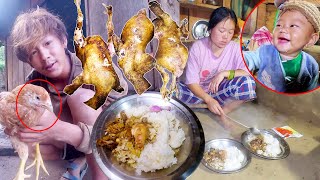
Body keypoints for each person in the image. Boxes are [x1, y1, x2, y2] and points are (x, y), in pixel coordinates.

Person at [7, 7, 128, 180]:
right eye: (33, 52)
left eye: (48, 43)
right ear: (30, 62)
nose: (44, 56)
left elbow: (120, 119)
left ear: (63, 41)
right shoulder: (33, 85)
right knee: (29, 139)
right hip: (68, 142)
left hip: (104, 137)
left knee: (82, 98)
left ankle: (100, 176)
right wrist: (17, 128)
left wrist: (55, 129)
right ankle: (80, 160)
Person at [176, 7, 257, 128]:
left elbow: (246, 72)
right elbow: (191, 82)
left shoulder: (235, 48)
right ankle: (205, 106)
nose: (226, 37)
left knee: (248, 84)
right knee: (172, 89)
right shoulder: (198, 47)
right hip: (196, 94)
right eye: (221, 30)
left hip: (219, 93)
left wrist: (224, 74)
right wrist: (208, 100)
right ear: (210, 28)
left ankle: (222, 113)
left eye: (230, 32)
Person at [244, 0, 320, 93]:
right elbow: (248, 58)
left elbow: (310, 92)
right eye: (279, 25)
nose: (283, 29)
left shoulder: (311, 66)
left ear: (311, 39)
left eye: (293, 26)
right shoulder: (265, 52)